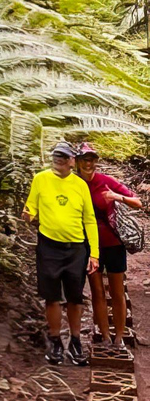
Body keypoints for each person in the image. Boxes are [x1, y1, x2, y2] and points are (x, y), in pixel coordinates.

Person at [22, 141, 99, 366]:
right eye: (56, 156)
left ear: (72, 161)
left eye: (64, 157)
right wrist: (27, 215)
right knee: (52, 296)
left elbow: (89, 220)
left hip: (76, 248)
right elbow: (31, 208)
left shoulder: (80, 185)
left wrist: (94, 253)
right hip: (49, 246)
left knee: (75, 297)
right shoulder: (41, 179)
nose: (59, 160)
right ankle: (55, 341)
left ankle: (75, 341)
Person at [76, 143, 142, 355]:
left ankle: (120, 338)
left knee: (117, 291)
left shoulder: (106, 181)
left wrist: (117, 197)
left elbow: (137, 202)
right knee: (96, 291)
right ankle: (105, 337)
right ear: (77, 162)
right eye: (85, 159)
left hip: (113, 243)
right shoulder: (72, 184)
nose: (89, 163)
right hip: (87, 246)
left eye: (92, 159)